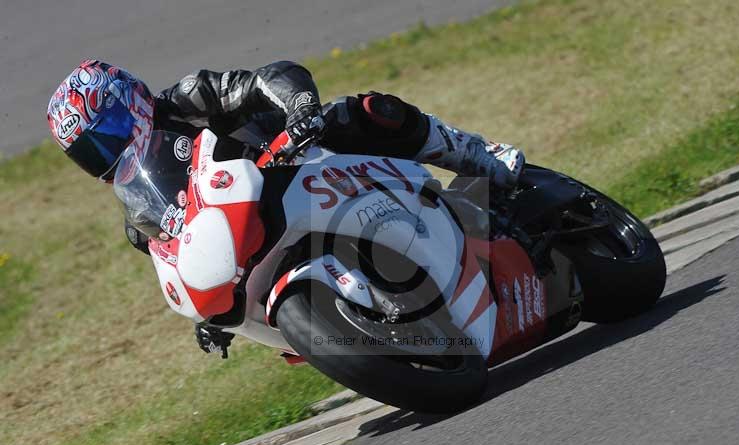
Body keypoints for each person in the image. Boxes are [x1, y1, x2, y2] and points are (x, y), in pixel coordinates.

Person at [46, 58, 526, 355]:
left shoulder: (190, 99)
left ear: (129, 100)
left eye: (107, 133)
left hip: (297, 159)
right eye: (90, 152)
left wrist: (299, 110)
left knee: (365, 113)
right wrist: (207, 317)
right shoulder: (138, 214)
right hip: (254, 232)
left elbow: (265, 79)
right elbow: (176, 253)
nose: (106, 152)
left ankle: (480, 155)